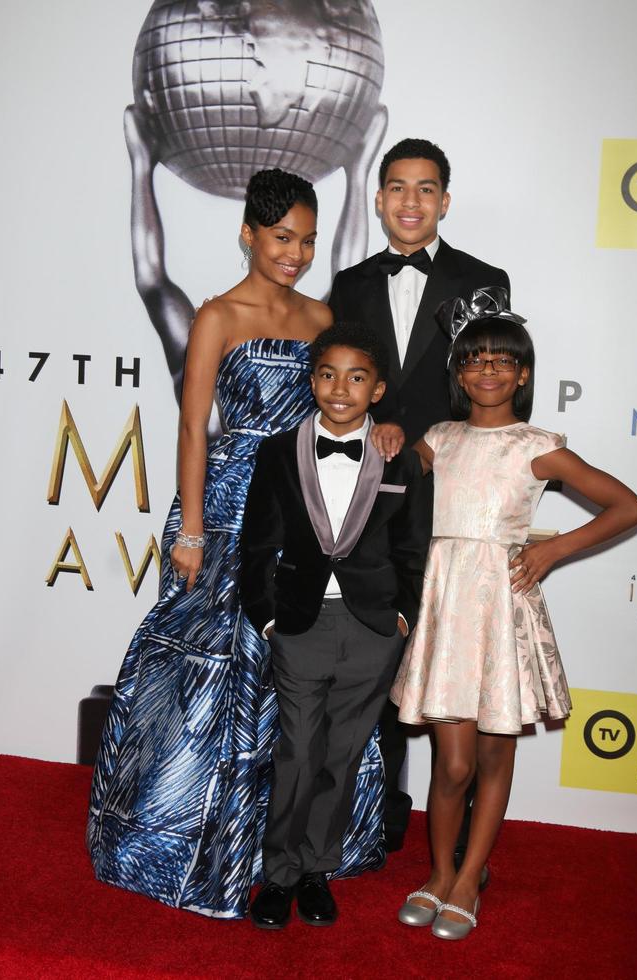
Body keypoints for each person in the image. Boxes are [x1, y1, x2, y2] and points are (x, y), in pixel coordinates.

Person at [87, 170, 385, 920]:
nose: (296, 252)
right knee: (204, 679)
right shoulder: (217, 315)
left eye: (308, 239)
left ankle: (287, 851)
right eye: (283, 237)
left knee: (296, 675)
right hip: (223, 513)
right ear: (249, 234)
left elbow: (341, 404)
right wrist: (189, 529)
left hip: (302, 508)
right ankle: (193, 841)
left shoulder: (323, 315)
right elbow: (194, 427)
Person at [391, 287, 637, 940]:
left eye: (501, 361)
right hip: (447, 609)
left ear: (523, 373)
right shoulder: (439, 440)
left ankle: (468, 878)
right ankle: (440, 873)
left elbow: (628, 506)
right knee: (451, 766)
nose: (487, 371)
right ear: (457, 370)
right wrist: (386, 433)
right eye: (474, 359)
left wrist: (556, 548)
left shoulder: (536, 445)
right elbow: (385, 478)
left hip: (501, 610)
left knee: (493, 759)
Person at [329, 137, 510, 853]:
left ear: (445, 199)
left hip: (454, 496)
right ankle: (378, 812)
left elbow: (492, 387)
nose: (411, 202)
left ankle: (460, 831)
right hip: (370, 499)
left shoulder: (482, 278)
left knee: (453, 661)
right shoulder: (347, 284)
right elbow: (339, 385)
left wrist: (433, 435)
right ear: (378, 200)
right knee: (380, 653)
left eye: (426, 188)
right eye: (397, 188)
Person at [239, 323, 427, 928]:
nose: (339, 388)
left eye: (356, 376)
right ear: (311, 379)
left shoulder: (400, 454)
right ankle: (278, 875)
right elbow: (257, 544)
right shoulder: (278, 450)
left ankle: (318, 869)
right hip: (299, 621)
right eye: (327, 373)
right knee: (296, 751)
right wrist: (267, 618)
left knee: (341, 756)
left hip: (373, 627)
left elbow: (413, 550)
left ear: (378, 390)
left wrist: (403, 619)